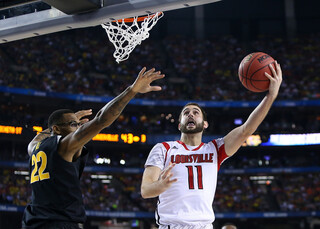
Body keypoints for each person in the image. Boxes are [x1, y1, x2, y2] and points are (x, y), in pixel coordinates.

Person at [141, 62, 282, 228]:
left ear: (205, 124)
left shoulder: (215, 149)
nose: (190, 115)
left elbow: (246, 130)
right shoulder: (163, 149)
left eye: (195, 112)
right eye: (186, 113)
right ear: (180, 125)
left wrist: (270, 96)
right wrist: (160, 185)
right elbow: (145, 190)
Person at [22, 67, 164, 229]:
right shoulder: (65, 145)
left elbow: (38, 137)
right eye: (73, 124)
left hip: (33, 222)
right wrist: (132, 90)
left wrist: (68, 121)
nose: (77, 127)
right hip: (58, 222)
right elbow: (101, 119)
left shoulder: (35, 147)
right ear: (57, 129)